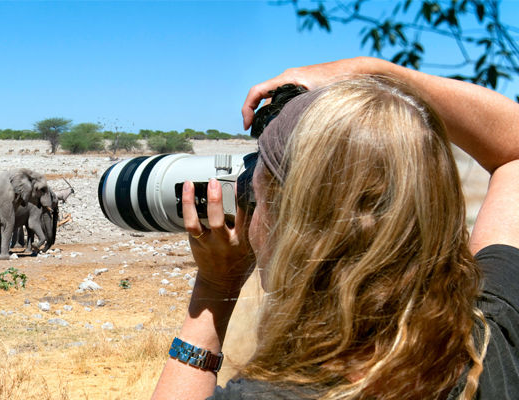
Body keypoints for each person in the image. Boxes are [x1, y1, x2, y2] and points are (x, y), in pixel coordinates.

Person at [151, 57, 519, 399]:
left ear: (292, 227)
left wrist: (214, 291)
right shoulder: (486, 339)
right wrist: (374, 71)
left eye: (257, 197)